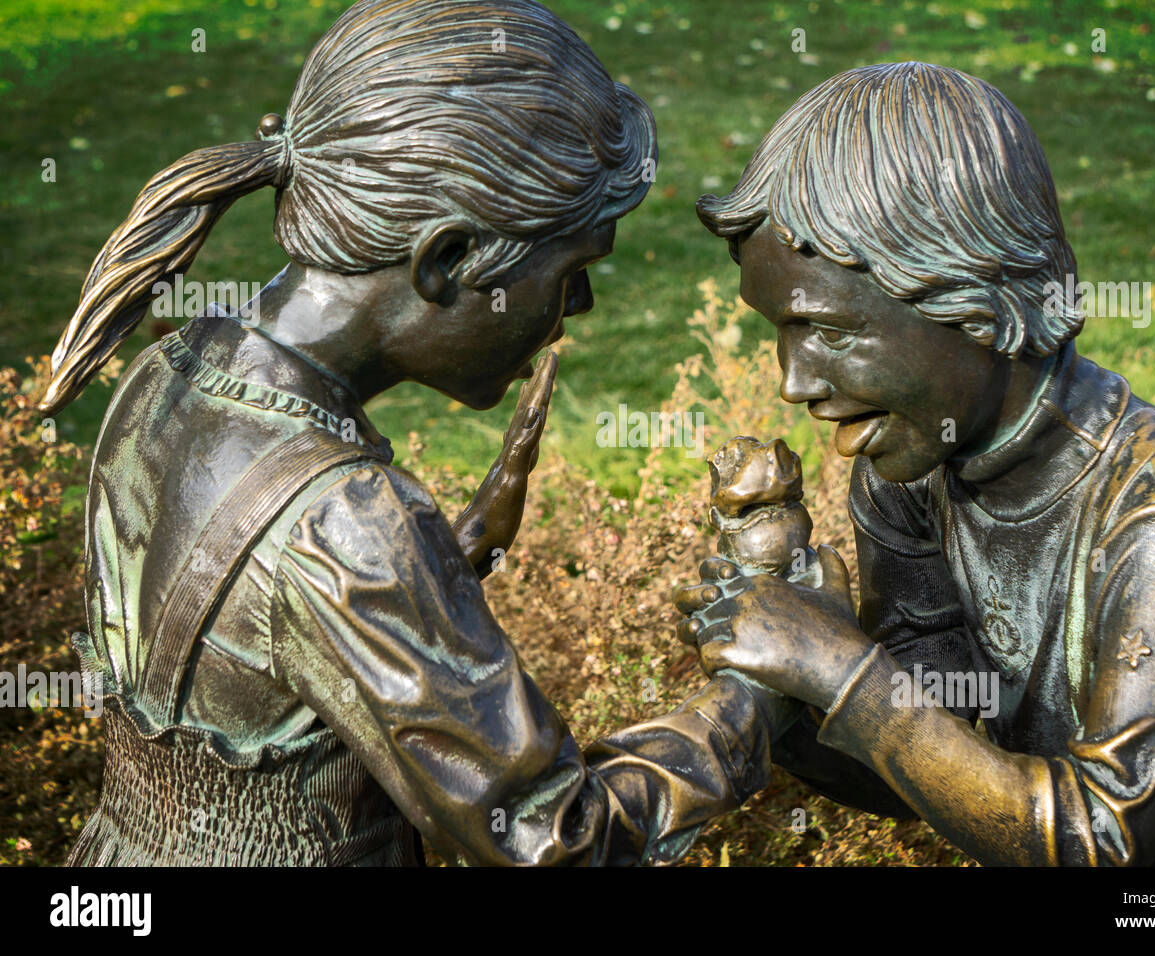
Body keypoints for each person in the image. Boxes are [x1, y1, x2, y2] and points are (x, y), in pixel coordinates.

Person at [45, 0, 786, 867]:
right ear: (445, 260)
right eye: (574, 271)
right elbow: (554, 840)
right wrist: (754, 696)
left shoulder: (169, 372)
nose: (576, 309)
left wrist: (437, 571)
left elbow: (229, 643)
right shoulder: (353, 523)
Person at [676, 62, 1155, 866]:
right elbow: (930, 765)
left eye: (826, 331)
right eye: (781, 333)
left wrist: (842, 673)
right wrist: (788, 689)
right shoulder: (909, 470)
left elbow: (1102, 841)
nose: (793, 383)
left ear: (971, 302)